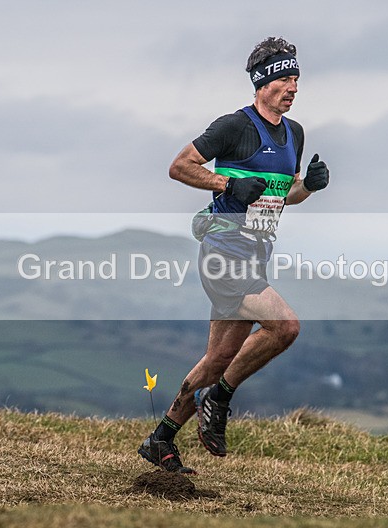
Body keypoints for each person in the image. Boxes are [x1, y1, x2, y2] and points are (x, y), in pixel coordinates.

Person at [138, 36, 330, 474]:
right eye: (284, 77)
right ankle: (219, 398)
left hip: (256, 253)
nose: (292, 86)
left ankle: (161, 437)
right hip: (223, 252)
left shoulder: (294, 134)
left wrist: (310, 186)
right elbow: (180, 165)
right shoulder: (234, 126)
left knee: (219, 359)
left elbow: (288, 197)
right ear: (262, 84)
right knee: (285, 327)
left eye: (296, 78)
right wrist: (226, 185)